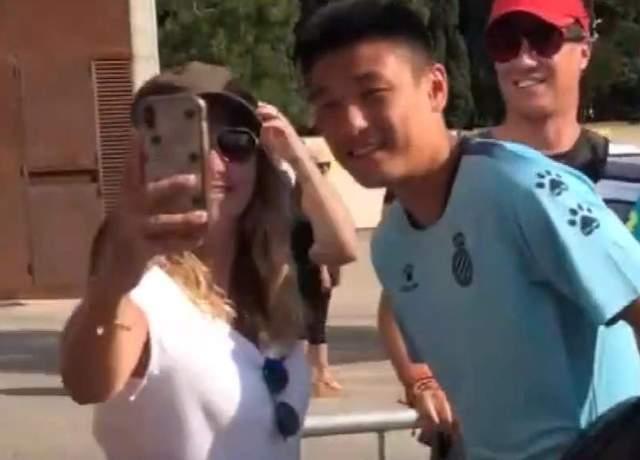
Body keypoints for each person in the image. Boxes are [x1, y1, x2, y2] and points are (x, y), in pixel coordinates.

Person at [293, 1, 640, 457]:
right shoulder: (391, 245)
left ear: (436, 88)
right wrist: (421, 386)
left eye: (373, 94)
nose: (353, 124)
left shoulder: (530, 189)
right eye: (329, 105)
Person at [59, 61, 358, 460]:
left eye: (235, 143)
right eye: (188, 143)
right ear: (145, 158)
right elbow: (86, 383)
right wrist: (111, 287)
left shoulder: (272, 284)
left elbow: (342, 246)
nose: (215, 163)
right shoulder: (146, 295)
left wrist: (298, 156)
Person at [292, 155, 344, 397]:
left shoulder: (318, 194)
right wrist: (324, 270)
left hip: (312, 266)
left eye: (326, 165)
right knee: (307, 323)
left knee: (316, 323)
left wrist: (332, 269)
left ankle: (321, 372)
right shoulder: (302, 196)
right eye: (319, 165)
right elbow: (318, 238)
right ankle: (310, 374)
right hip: (305, 267)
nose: (324, 170)